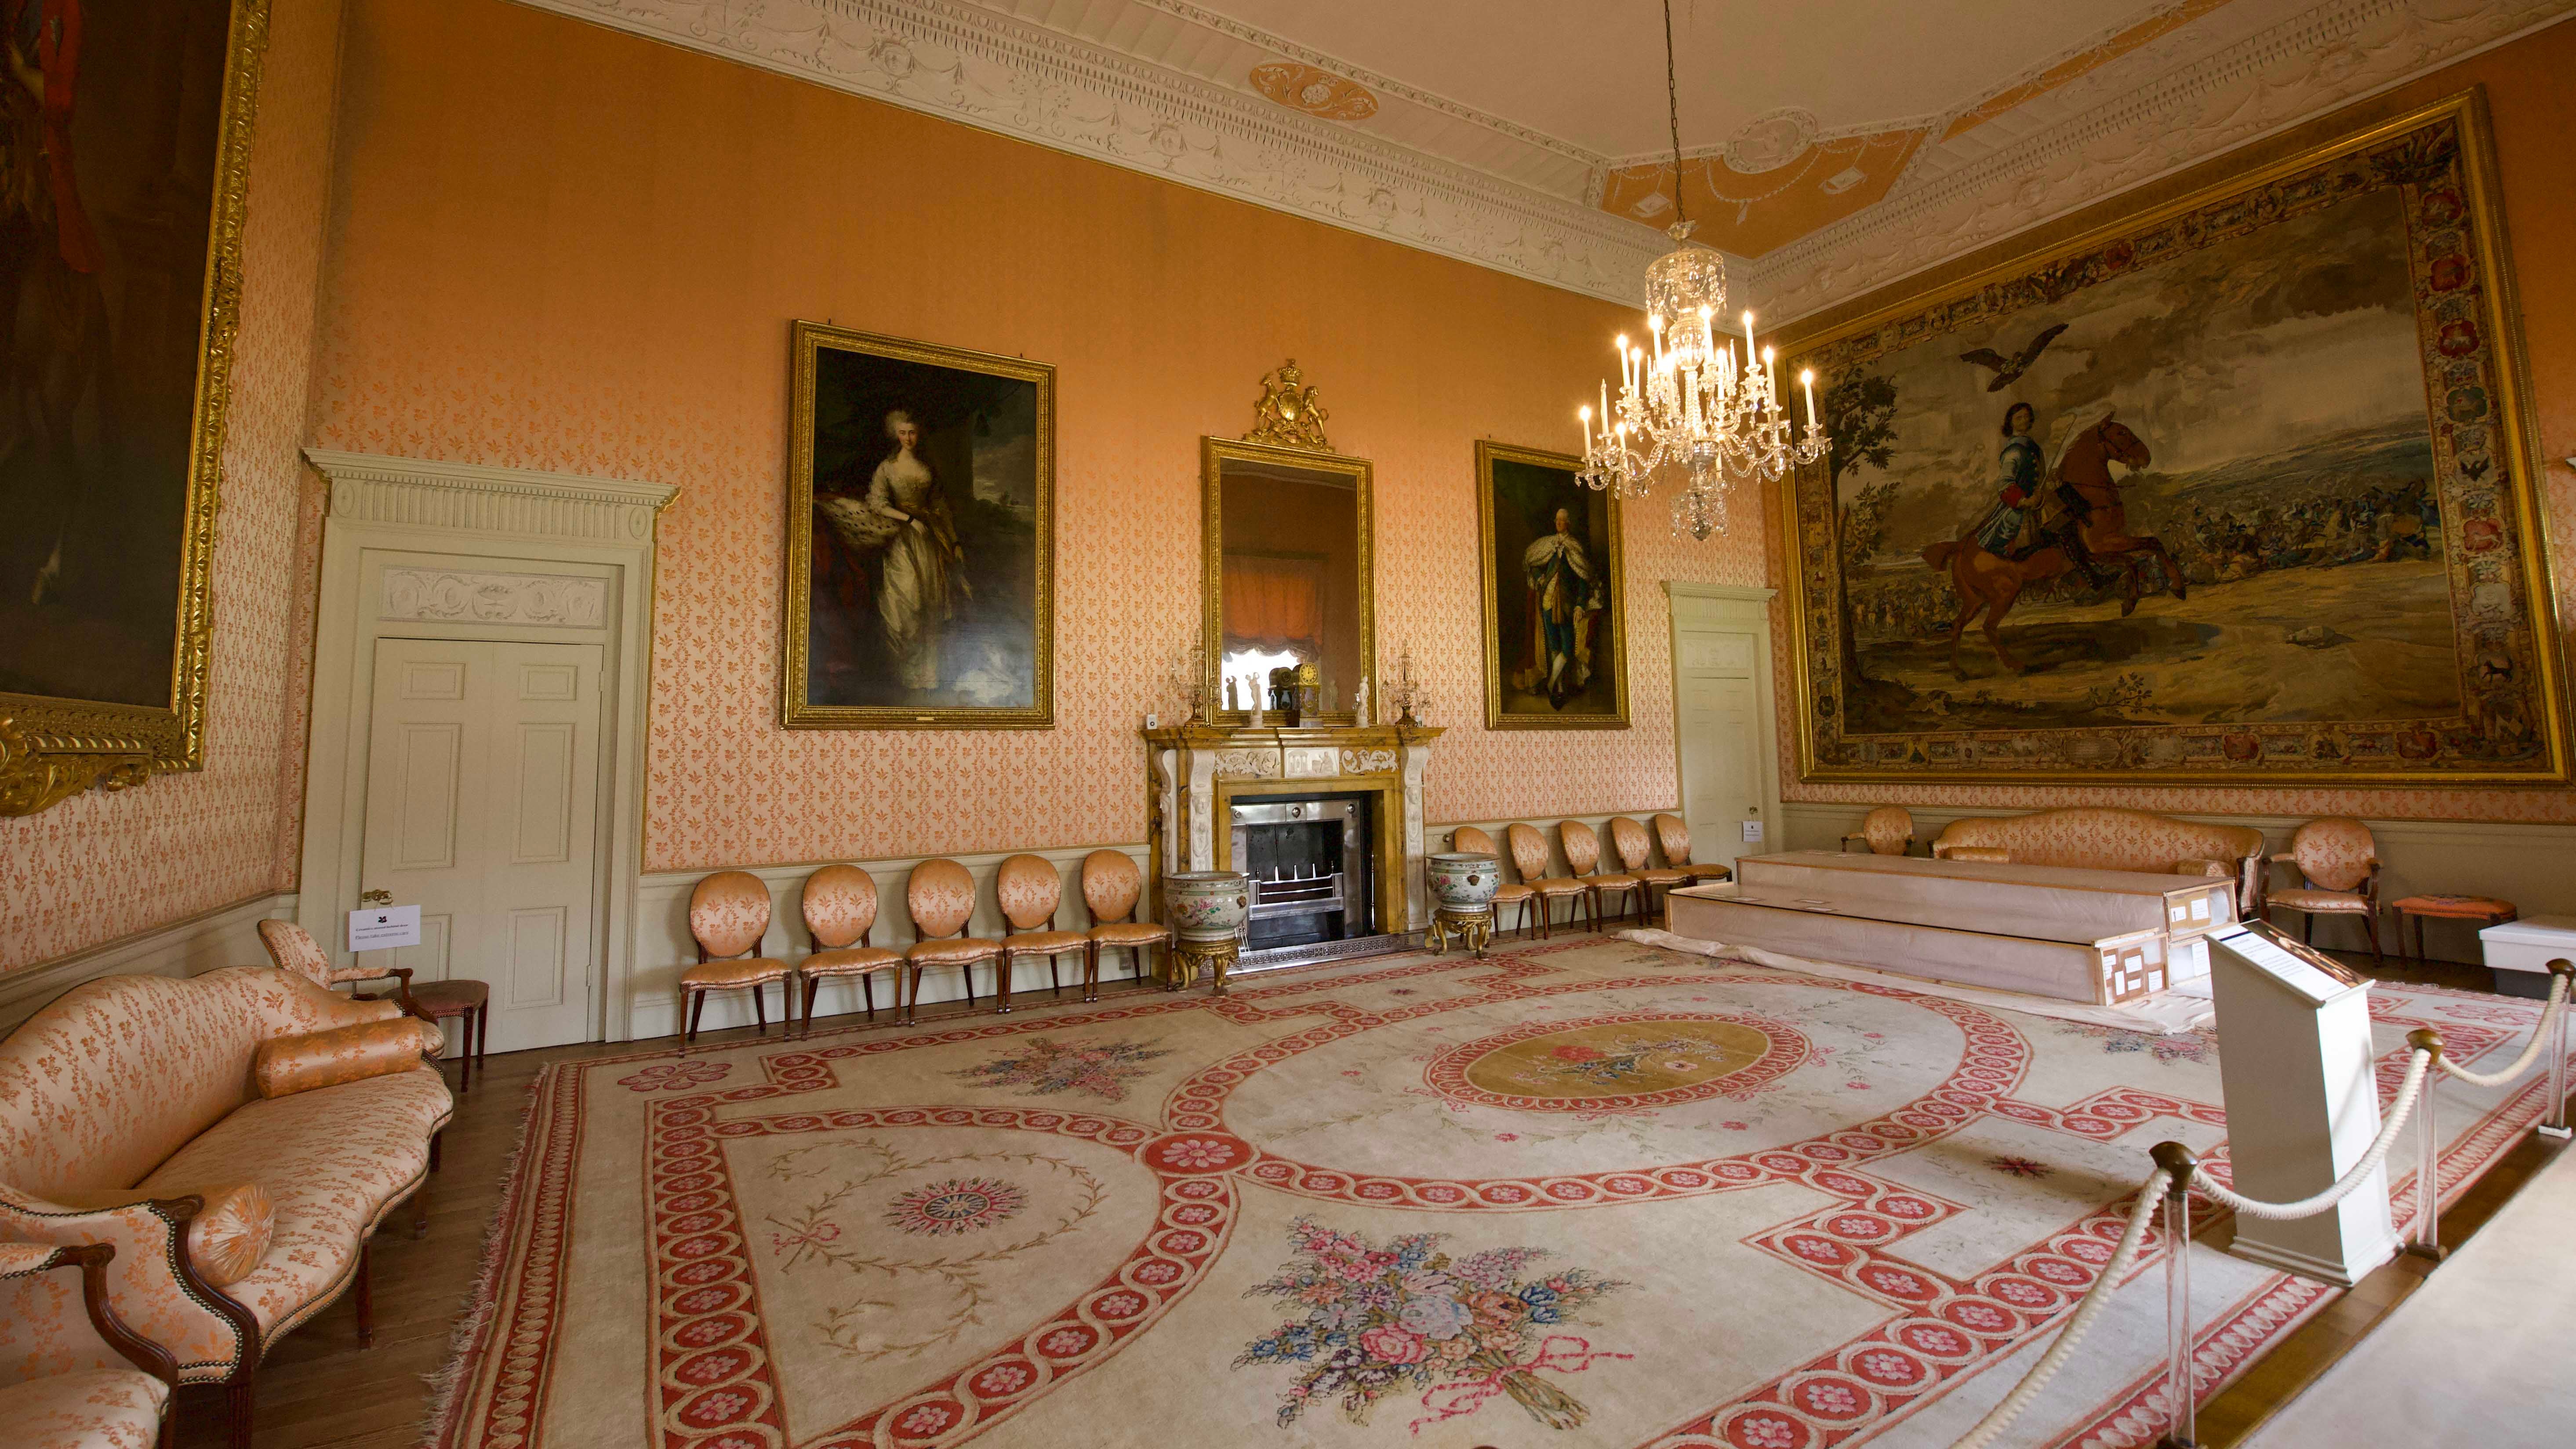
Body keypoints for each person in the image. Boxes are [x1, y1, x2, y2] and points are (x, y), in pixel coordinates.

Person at [816, 409, 970, 693]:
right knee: (905, 605)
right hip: (901, 540)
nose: (908, 438)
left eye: (912, 432)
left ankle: (926, 676)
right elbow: (877, 503)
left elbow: (940, 506)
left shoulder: (927, 467)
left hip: (928, 542)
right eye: (902, 433)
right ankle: (901, 673)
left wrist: (954, 542)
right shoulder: (887, 468)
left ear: (918, 434)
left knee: (929, 605)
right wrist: (909, 520)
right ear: (895, 434)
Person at [1518, 506, 1600, 708]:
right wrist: (1540, 578)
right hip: (1547, 602)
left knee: (1568, 648)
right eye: (1557, 520)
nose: (1559, 523)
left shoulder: (1574, 546)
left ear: (1568, 523)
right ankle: (1560, 688)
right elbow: (1533, 564)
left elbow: (1583, 578)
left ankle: (1551, 684)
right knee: (1554, 646)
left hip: (1566, 604)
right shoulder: (1547, 545)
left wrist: (1580, 605)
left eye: (1562, 520)